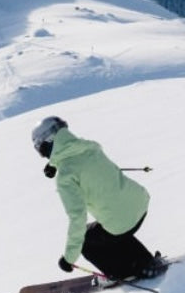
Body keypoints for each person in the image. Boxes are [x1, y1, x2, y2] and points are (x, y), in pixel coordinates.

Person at [31, 115, 166, 281]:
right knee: (108, 226)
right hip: (139, 202)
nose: (42, 154)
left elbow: (77, 217)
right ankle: (145, 261)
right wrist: (54, 164)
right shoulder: (90, 147)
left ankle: (124, 272)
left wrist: (69, 259)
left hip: (121, 220)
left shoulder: (65, 177)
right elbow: (70, 152)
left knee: (87, 241)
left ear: (48, 142)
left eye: (40, 148)